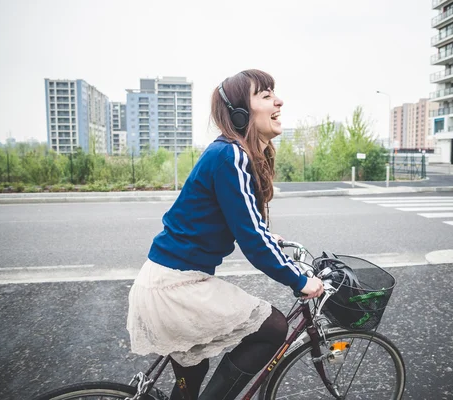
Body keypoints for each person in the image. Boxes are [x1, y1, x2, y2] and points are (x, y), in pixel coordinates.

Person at [126, 69, 324, 400]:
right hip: (176, 288)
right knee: (274, 328)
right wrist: (300, 281)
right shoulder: (231, 155)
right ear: (240, 113)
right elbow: (252, 242)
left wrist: (267, 238)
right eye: (265, 95)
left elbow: (240, 222)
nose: (279, 101)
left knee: (191, 377)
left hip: (164, 281)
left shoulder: (228, 153)